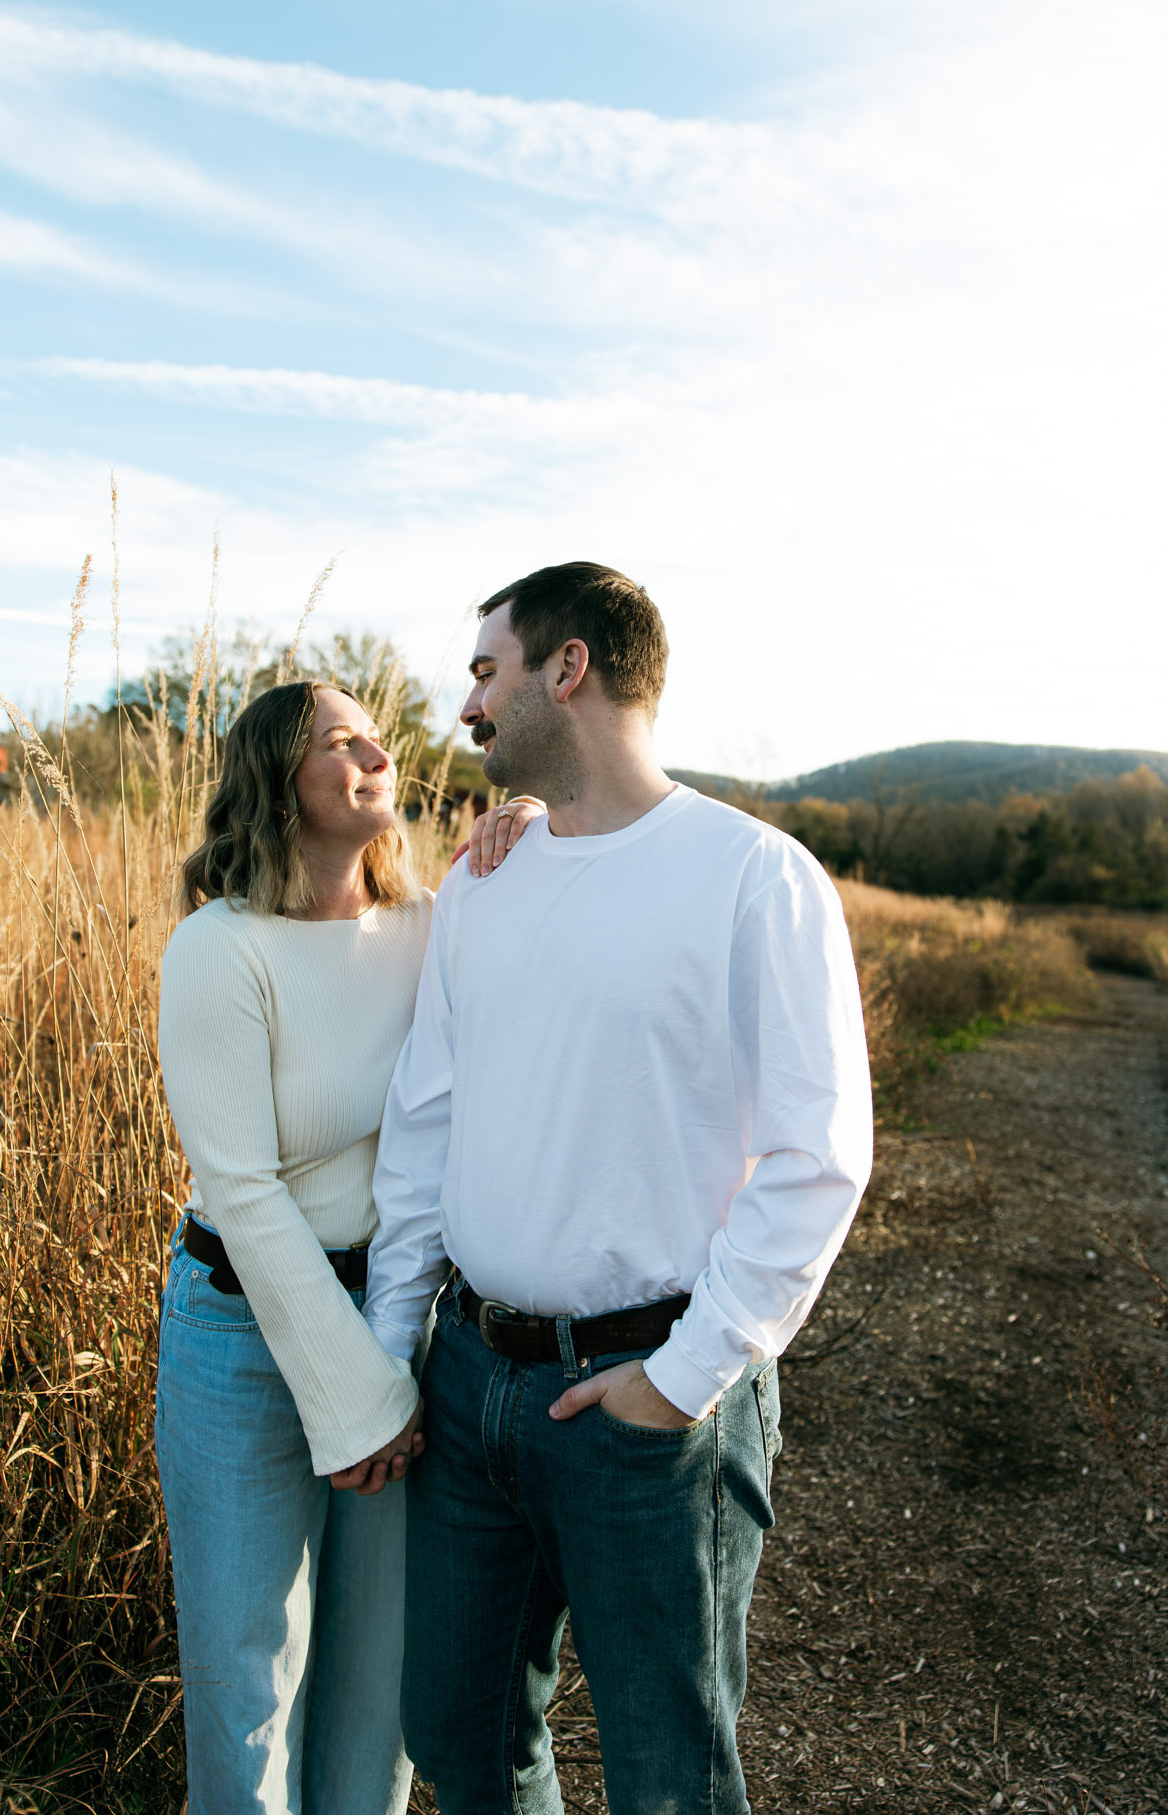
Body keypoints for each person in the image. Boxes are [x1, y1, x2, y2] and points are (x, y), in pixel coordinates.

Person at [344, 562, 874, 1815]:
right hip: (470, 1378)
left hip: (649, 1397)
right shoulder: (485, 881)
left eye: (488, 670)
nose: (468, 704)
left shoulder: (756, 876)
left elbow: (817, 1156)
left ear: (568, 667)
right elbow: (425, 1121)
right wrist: (393, 1342)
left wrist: (684, 1377)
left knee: (666, 1774)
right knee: (462, 1735)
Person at [154, 678, 538, 1815]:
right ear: (280, 783)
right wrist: (359, 1398)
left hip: (397, 1319)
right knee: (249, 1673)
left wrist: (529, 822)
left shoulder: (432, 927)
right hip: (242, 1328)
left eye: (376, 734)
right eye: (340, 739)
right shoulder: (219, 948)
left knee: (380, 1676)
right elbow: (243, 1190)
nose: (377, 752)